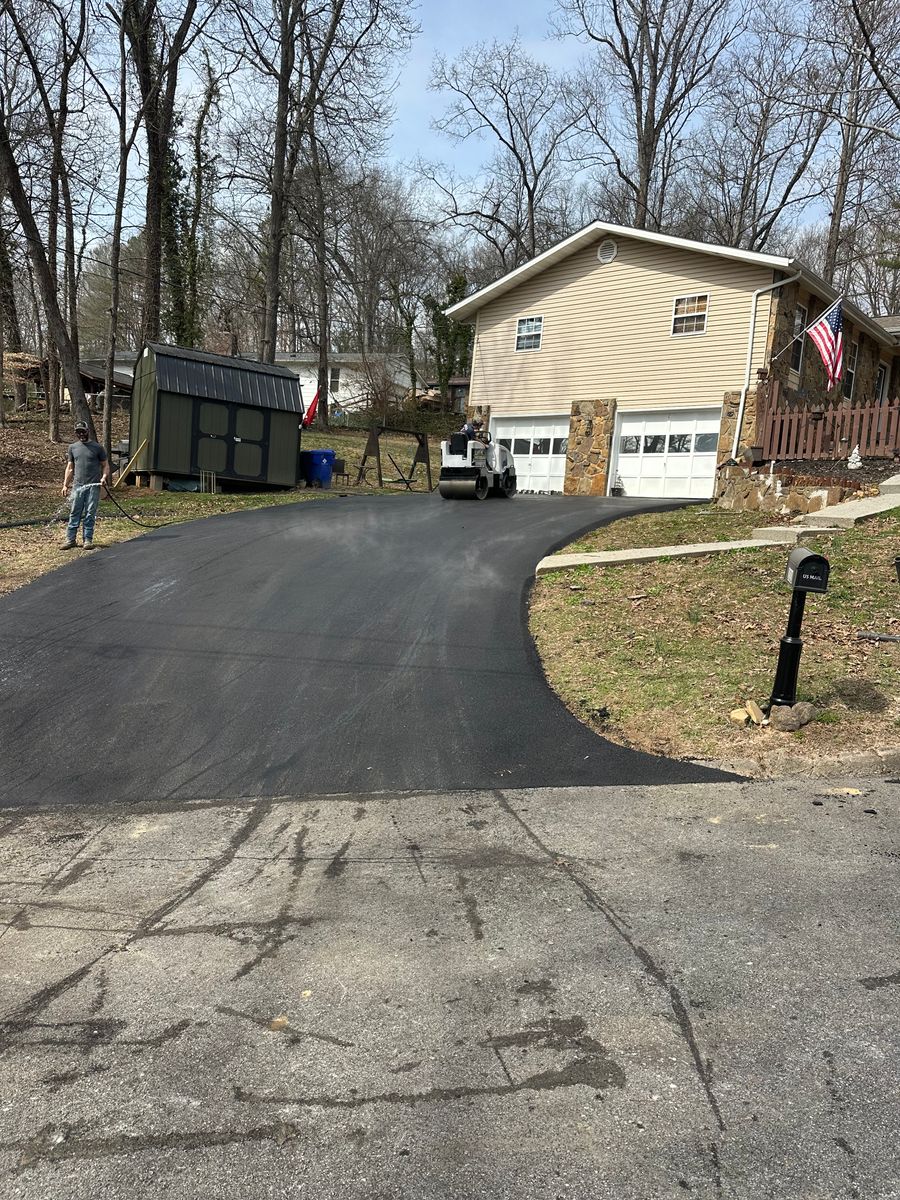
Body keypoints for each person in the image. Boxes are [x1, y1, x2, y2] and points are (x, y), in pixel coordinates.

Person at [60, 421, 110, 550]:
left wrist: (104, 477)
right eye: (78, 432)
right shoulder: (73, 447)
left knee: (90, 513)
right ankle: (70, 540)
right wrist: (65, 485)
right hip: (78, 485)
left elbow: (105, 465)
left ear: (88, 431)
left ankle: (87, 540)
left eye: (83, 431)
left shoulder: (97, 448)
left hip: (93, 486)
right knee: (74, 512)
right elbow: (70, 468)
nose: (81, 434)